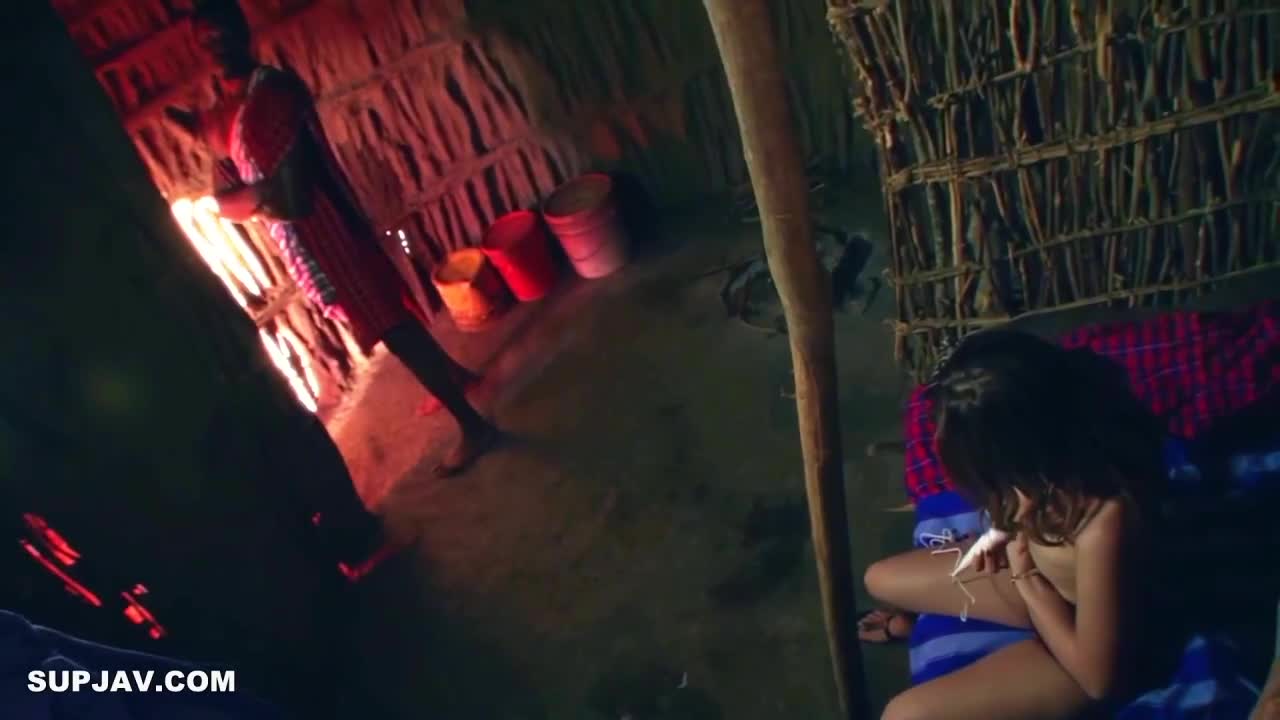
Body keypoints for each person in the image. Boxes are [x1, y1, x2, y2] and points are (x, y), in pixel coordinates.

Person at [165, 0, 498, 476]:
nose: (216, 46)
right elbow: (230, 174)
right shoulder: (226, 111)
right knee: (387, 312)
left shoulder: (273, 94)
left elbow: (290, 197)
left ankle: (473, 426)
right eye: (205, 40)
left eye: (221, 33)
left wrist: (239, 200)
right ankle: (456, 378)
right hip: (302, 240)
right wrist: (233, 184)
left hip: (327, 226)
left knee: (389, 322)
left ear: (242, 29)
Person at [859, 329, 1186, 719]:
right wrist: (1003, 535)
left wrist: (1026, 578)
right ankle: (929, 621)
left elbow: (1099, 681)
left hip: (1079, 640)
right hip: (1043, 580)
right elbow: (1018, 515)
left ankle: (966, 630)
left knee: (904, 715)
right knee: (878, 579)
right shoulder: (1044, 467)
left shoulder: (1105, 519)